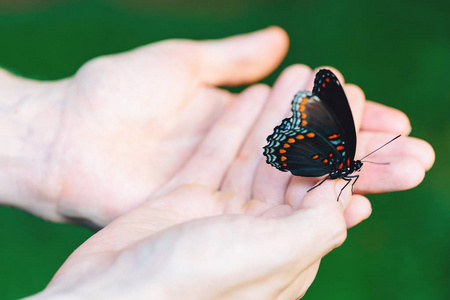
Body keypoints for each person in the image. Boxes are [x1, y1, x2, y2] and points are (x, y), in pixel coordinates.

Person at [1, 27, 433, 299]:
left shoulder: (339, 157)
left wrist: (45, 135)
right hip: (298, 154)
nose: (352, 170)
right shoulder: (337, 155)